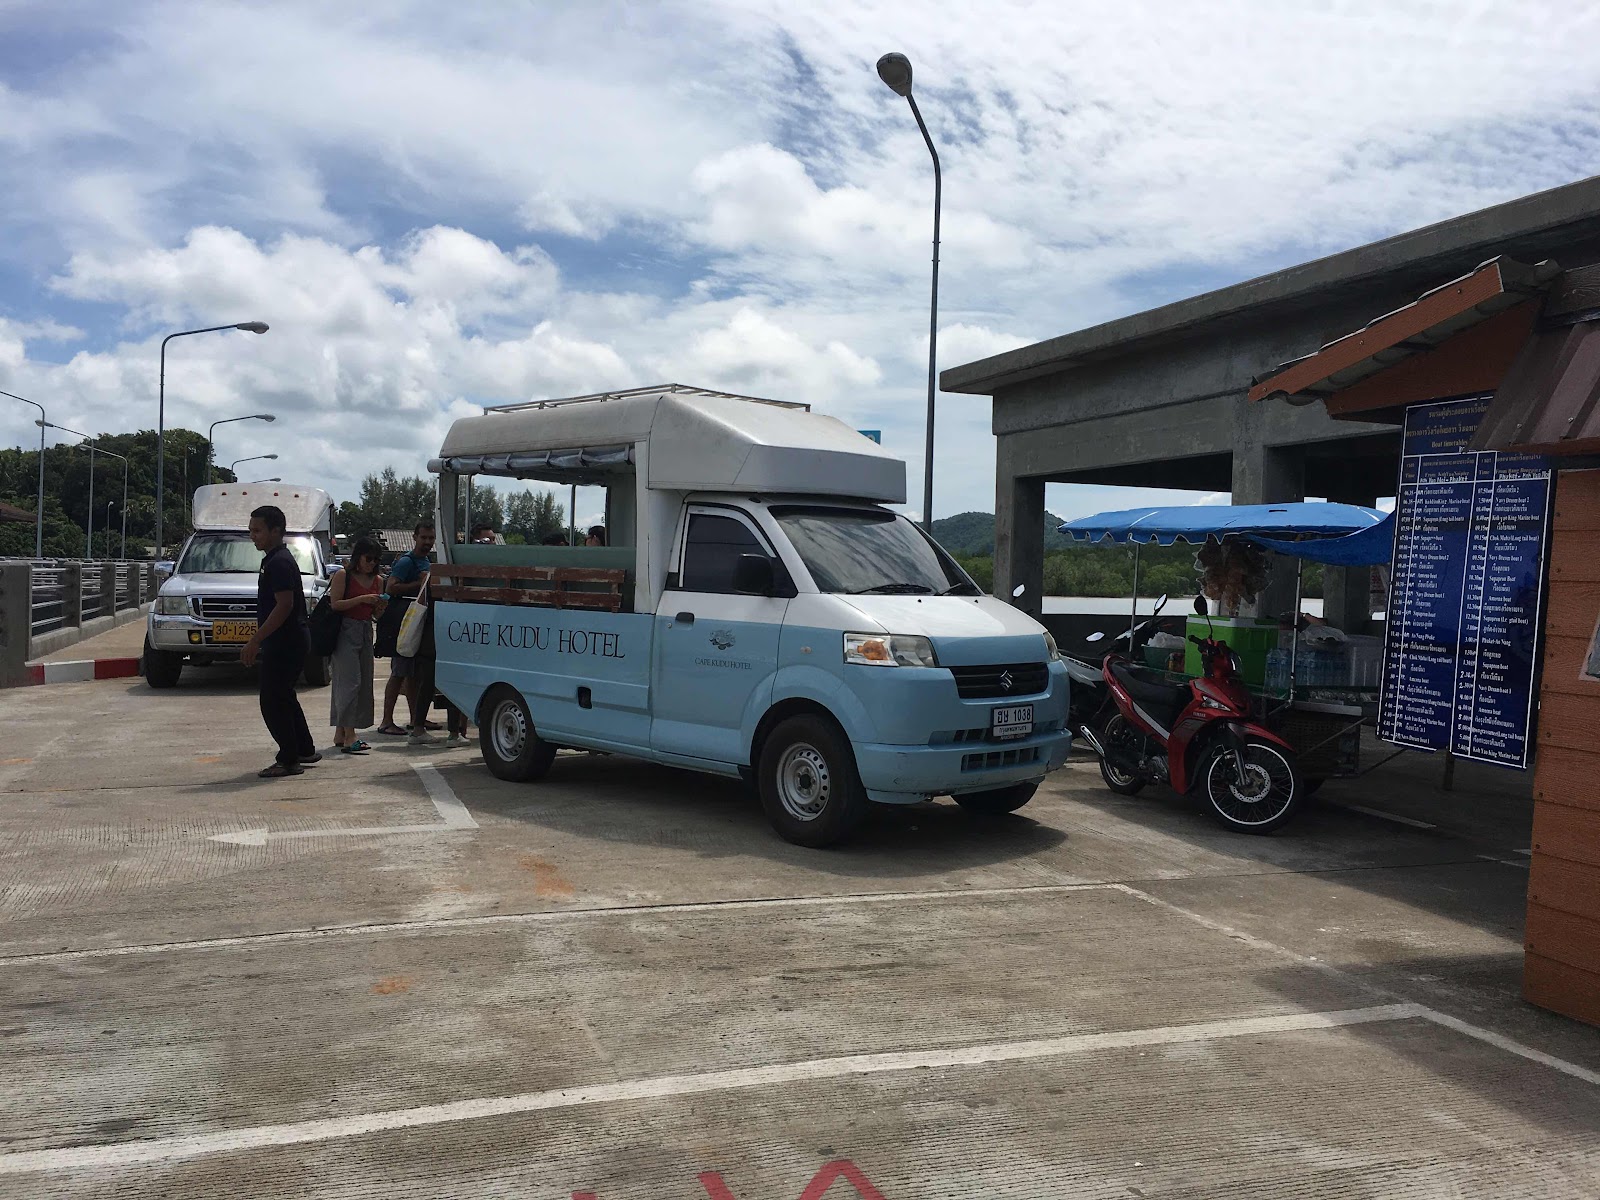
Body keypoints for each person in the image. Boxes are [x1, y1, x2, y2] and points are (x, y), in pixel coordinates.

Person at [241, 504, 319, 778]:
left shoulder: (280, 563)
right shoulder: (273, 560)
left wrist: (255, 640)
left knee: (273, 701)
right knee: (284, 696)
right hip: (287, 641)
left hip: (286, 642)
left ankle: (288, 759)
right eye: (251, 530)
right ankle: (304, 749)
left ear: (275, 531)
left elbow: (284, 605)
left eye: (257, 530)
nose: (253, 536)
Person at [378, 521, 438, 737]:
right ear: (415, 537)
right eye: (424, 537)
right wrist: (420, 584)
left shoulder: (426, 561)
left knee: (413, 674)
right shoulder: (406, 562)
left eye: (431, 538)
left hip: (418, 622)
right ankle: (386, 721)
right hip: (404, 622)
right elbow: (391, 587)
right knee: (399, 672)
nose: (427, 542)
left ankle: (416, 719)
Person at [327, 537, 386, 754]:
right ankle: (350, 735)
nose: (372, 563)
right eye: (368, 559)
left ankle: (341, 731)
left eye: (376, 560)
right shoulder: (343, 575)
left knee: (362, 683)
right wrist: (362, 599)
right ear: (358, 557)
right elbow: (335, 604)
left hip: (365, 630)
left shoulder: (378, 580)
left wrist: (380, 607)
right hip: (345, 630)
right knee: (349, 682)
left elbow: (376, 615)